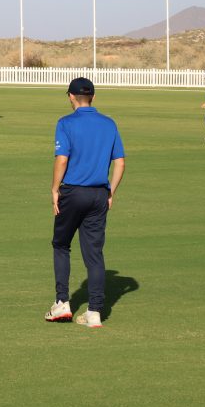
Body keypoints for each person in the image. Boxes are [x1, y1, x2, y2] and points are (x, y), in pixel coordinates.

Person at [45, 77, 125, 328]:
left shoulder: (65, 123)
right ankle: (94, 311)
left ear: (70, 96)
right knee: (94, 254)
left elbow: (62, 159)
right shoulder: (109, 124)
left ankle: (62, 302)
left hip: (73, 192)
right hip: (99, 194)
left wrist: (54, 189)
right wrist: (110, 192)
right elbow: (120, 162)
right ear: (93, 97)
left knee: (61, 244)